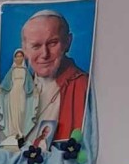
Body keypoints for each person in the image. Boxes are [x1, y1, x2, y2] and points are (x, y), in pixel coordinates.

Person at [19, 10, 89, 143]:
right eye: (36, 46)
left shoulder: (83, 85)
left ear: (67, 42)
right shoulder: (17, 87)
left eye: (52, 43)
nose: (44, 54)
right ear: (25, 50)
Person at [0, 49, 35, 148]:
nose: (19, 58)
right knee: (13, 113)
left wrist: (34, 91)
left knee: (21, 111)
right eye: (17, 56)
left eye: (21, 56)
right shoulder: (12, 71)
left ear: (23, 58)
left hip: (22, 93)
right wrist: (0, 89)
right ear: (14, 58)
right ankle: (13, 133)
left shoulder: (25, 71)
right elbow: (5, 83)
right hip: (13, 93)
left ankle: (20, 132)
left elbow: (30, 85)